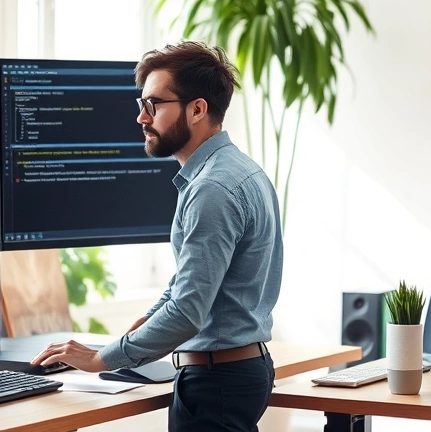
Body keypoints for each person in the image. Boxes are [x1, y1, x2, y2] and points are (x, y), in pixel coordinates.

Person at [31, 41, 284, 431]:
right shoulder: (239, 171)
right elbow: (193, 280)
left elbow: (188, 310)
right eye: (141, 105)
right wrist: (149, 319)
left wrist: (103, 359)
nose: (141, 118)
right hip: (233, 373)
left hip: (217, 383)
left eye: (153, 105)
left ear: (197, 109)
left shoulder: (213, 188)